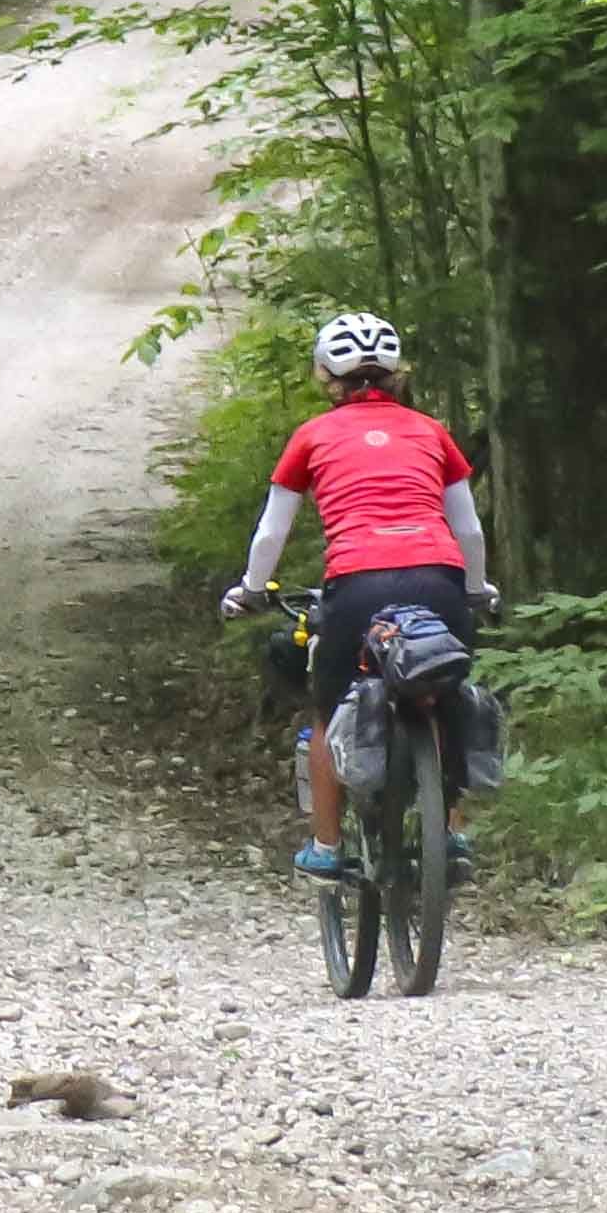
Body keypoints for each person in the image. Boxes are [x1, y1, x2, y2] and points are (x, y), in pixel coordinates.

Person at [215, 310, 494, 877]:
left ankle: (325, 846)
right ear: (397, 373)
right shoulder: (431, 431)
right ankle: (453, 832)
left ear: (325, 375)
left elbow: (271, 532)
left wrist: (250, 590)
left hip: (357, 582)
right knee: (442, 686)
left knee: (329, 708)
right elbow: (468, 530)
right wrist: (475, 589)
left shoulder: (312, 436)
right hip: (437, 577)